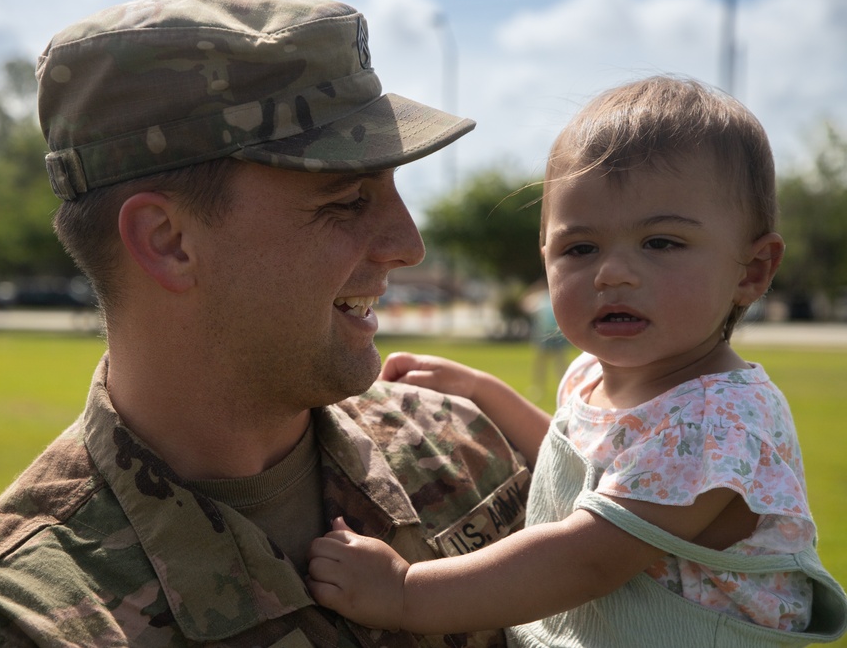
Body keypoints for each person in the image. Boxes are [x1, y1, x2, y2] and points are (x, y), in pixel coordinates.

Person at [0, 0, 530, 648]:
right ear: (168, 241)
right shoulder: (8, 624)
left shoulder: (464, 445)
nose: (408, 244)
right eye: (348, 199)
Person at [307, 76, 847, 647]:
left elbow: (583, 560)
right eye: (579, 248)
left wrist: (405, 592)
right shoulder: (595, 375)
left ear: (753, 270)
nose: (612, 273)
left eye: (661, 243)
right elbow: (584, 479)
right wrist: (485, 390)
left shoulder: (717, 422)